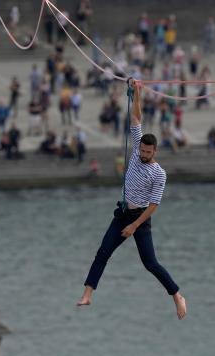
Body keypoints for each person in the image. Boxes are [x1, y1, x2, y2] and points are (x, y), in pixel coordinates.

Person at [77, 79, 187, 320]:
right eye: (142, 152)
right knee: (103, 252)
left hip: (140, 218)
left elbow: (154, 204)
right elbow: (136, 118)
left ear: (155, 152)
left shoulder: (159, 173)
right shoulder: (136, 148)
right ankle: (88, 293)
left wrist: (135, 226)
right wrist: (137, 91)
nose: (144, 155)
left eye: (148, 153)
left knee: (150, 263)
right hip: (123, 213)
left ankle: (177, 295)